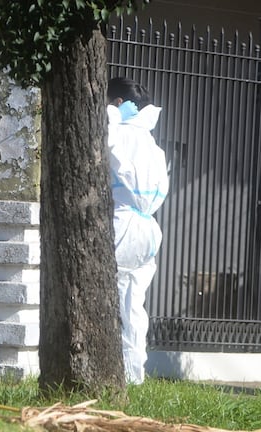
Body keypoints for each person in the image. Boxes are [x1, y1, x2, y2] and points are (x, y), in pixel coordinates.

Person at [107, 77, 169, 384]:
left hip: (123, 226)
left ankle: (123, 373)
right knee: (134, 307)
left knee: (114, 301)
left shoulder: (120, 131)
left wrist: (111, 116)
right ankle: (134, 373)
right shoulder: (151, 143)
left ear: (117, 104)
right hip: (148, 230)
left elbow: (102, 138)